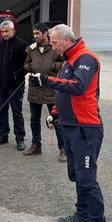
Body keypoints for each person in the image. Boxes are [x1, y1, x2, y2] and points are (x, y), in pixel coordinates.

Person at [29, 24, 106, 222]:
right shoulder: (69, 60)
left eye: (54, 43)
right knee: (76, 174)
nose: (52, 47)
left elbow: (79, 86)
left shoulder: (85, 58)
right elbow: (64, 92)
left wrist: (47, 80)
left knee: (87, 178)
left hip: (85, 128)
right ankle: (82, 214)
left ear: (65, 40)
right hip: (70, 126)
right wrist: (54, 113)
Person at [23, 23, 66, 160]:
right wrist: (31, 67)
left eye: (37, 34)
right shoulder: (32, 49)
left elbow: (65, 63)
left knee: (56, 121)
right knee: (34, 120)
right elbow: (26, 64)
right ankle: (36, 145)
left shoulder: (55, 48)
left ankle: (63, 149)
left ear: (45, 33)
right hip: (35, 89)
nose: (34, 36)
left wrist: (53, 66)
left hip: (51, 90)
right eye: (34, 34)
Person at [0, 20, 28, 151]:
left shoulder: (22, 45)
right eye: (2, 32)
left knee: (17, 112)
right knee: (2, 110)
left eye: (7, 31)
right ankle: (3, 135)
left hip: (16, 85)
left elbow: (26, 65)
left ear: (13, 30)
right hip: (0, 85)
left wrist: (17, 75)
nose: (4, 34)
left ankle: (20, 138)